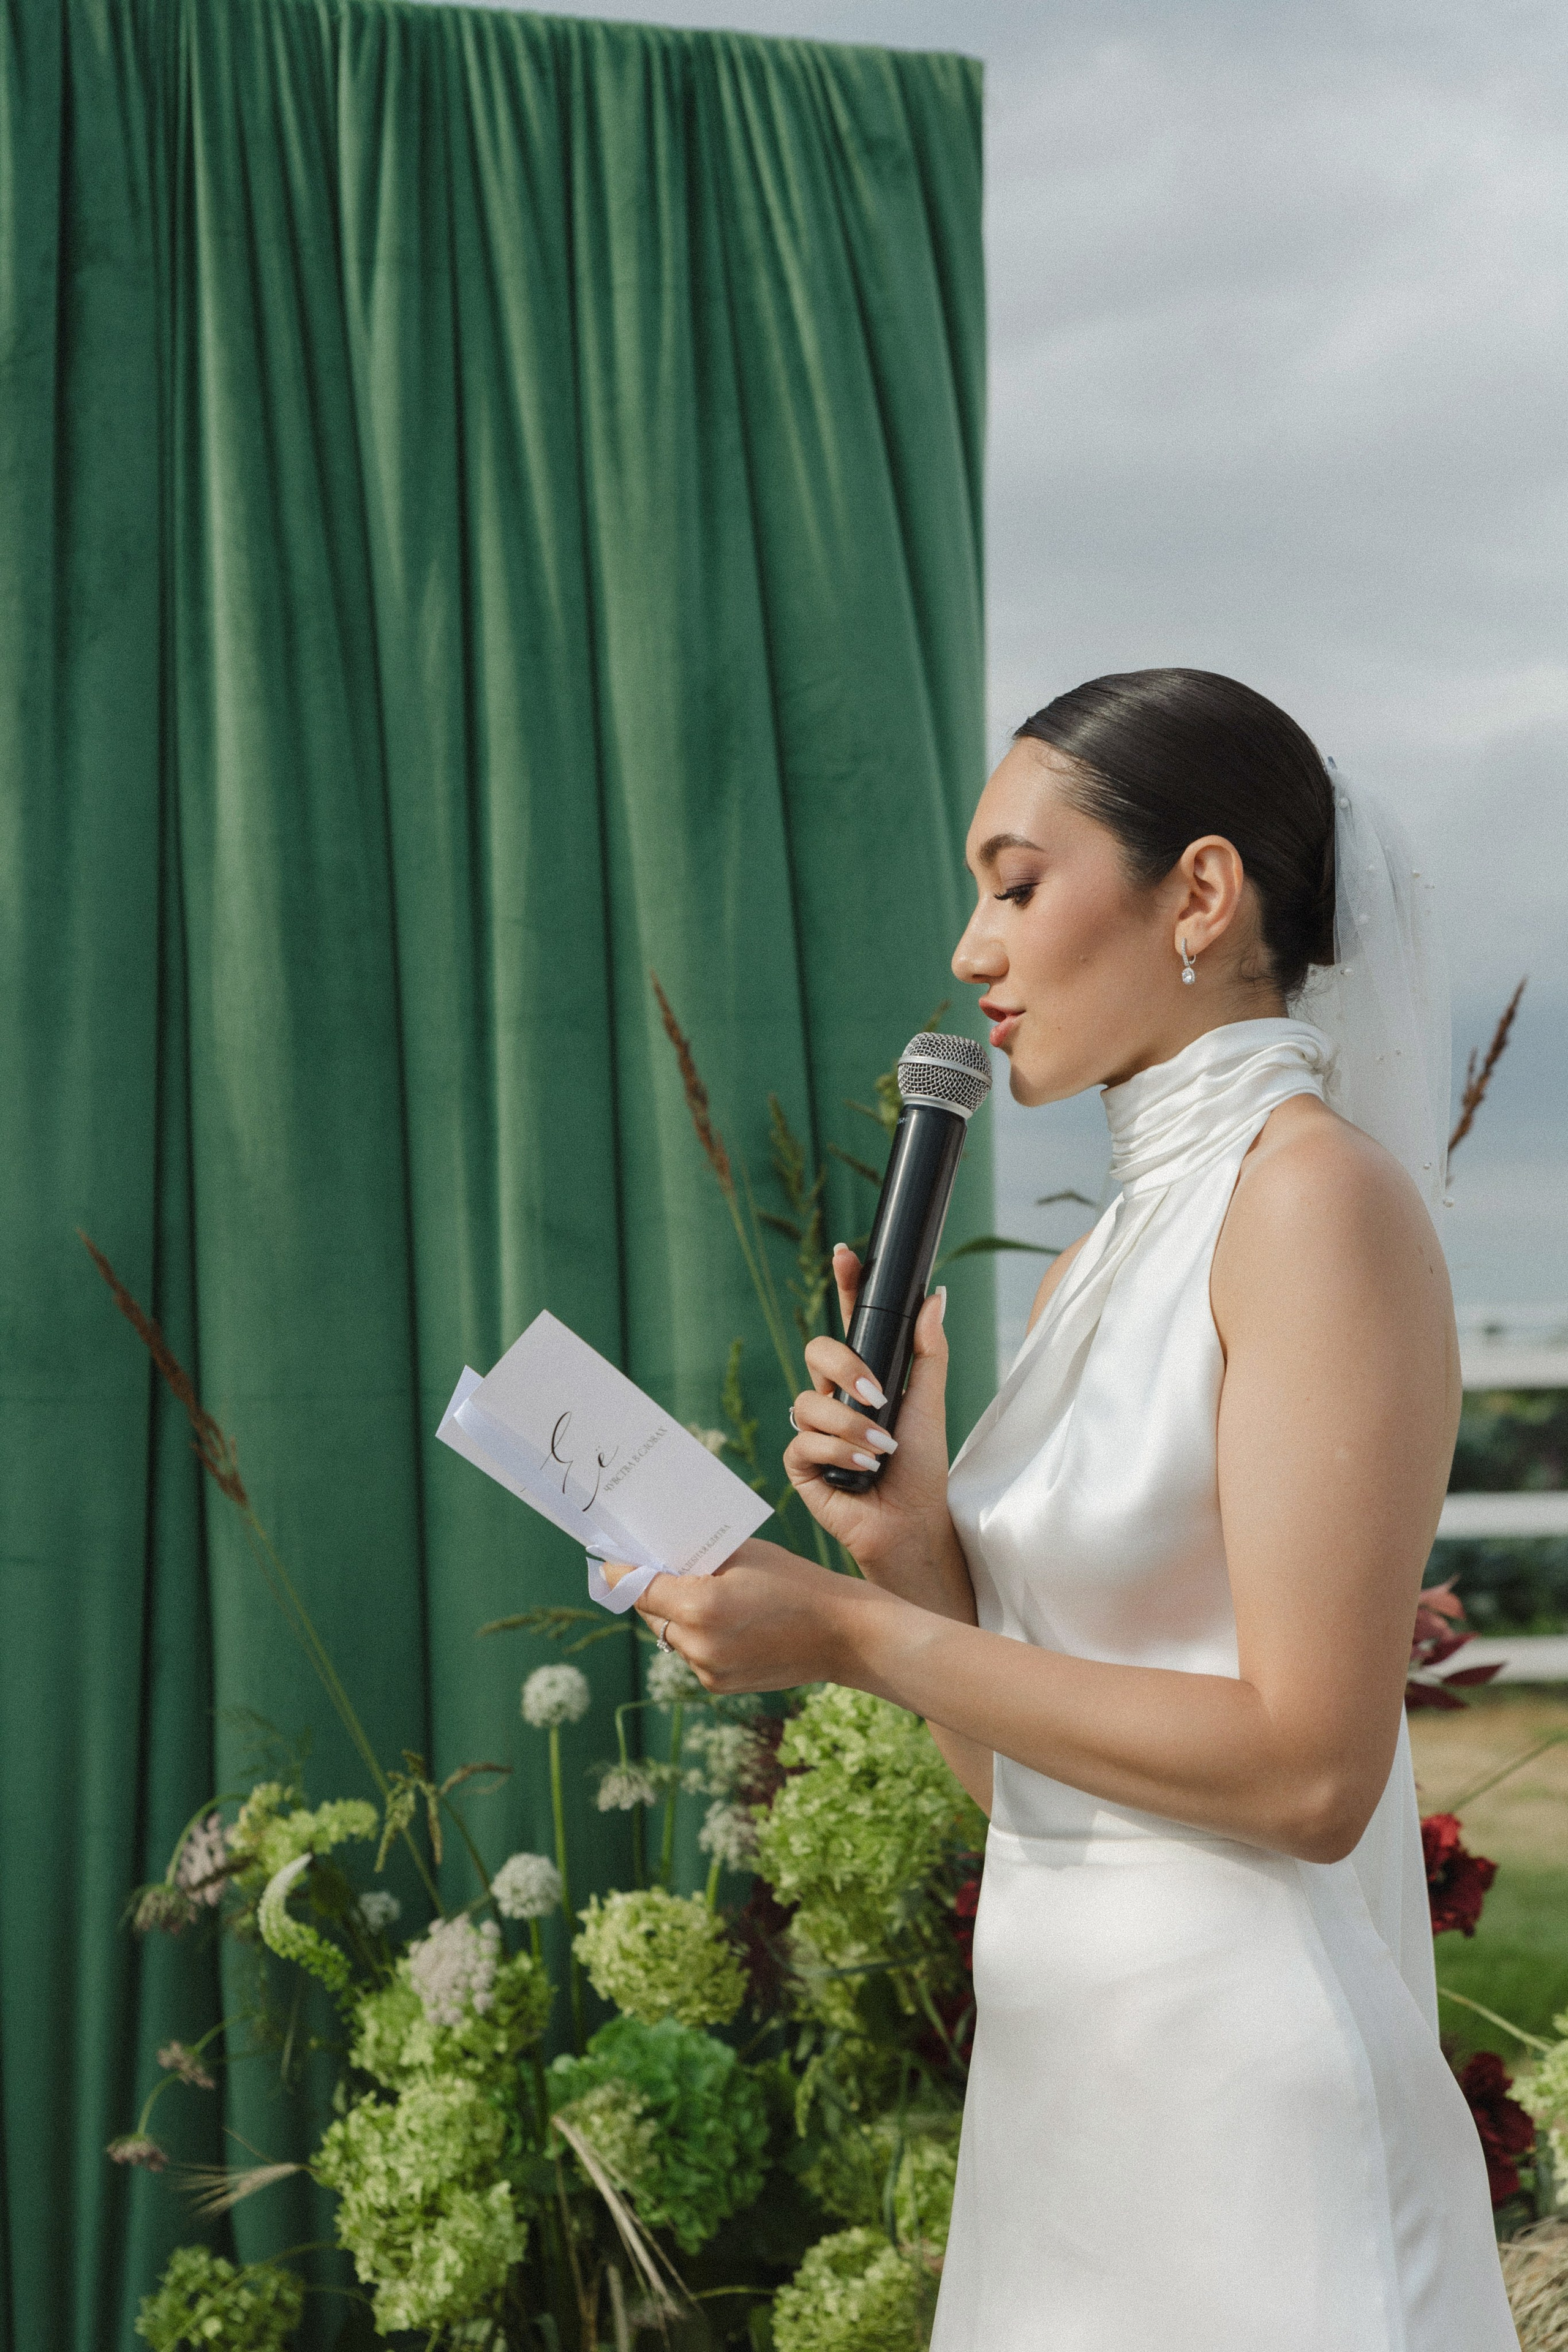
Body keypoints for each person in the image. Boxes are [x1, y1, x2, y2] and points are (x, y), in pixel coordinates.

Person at [611, 669, 1515, 2348]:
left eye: (1016, 883)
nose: (972, 948)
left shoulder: (1312, 1202)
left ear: (1200, 893)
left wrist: (853, 1634)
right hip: (1069, 2111)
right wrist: (912, 1547)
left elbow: (1314, 1776)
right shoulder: (1109, 1248)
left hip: (1252, 2129)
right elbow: (1024, 1783)